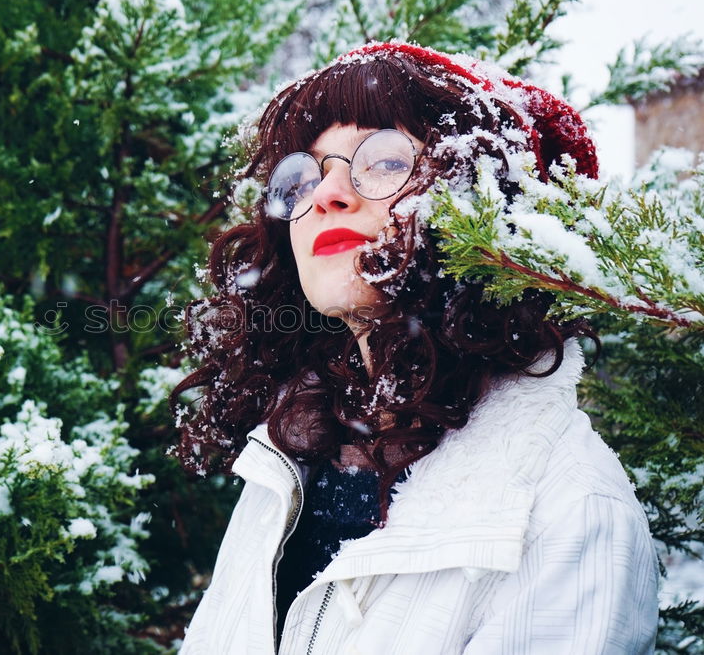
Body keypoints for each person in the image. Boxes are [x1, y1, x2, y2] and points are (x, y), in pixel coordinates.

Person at [171, 41, 659, 654]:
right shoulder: (286, 465)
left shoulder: (569, 514)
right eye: (306, 174)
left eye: (382, 160)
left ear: (483, 208)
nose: (327, 194)